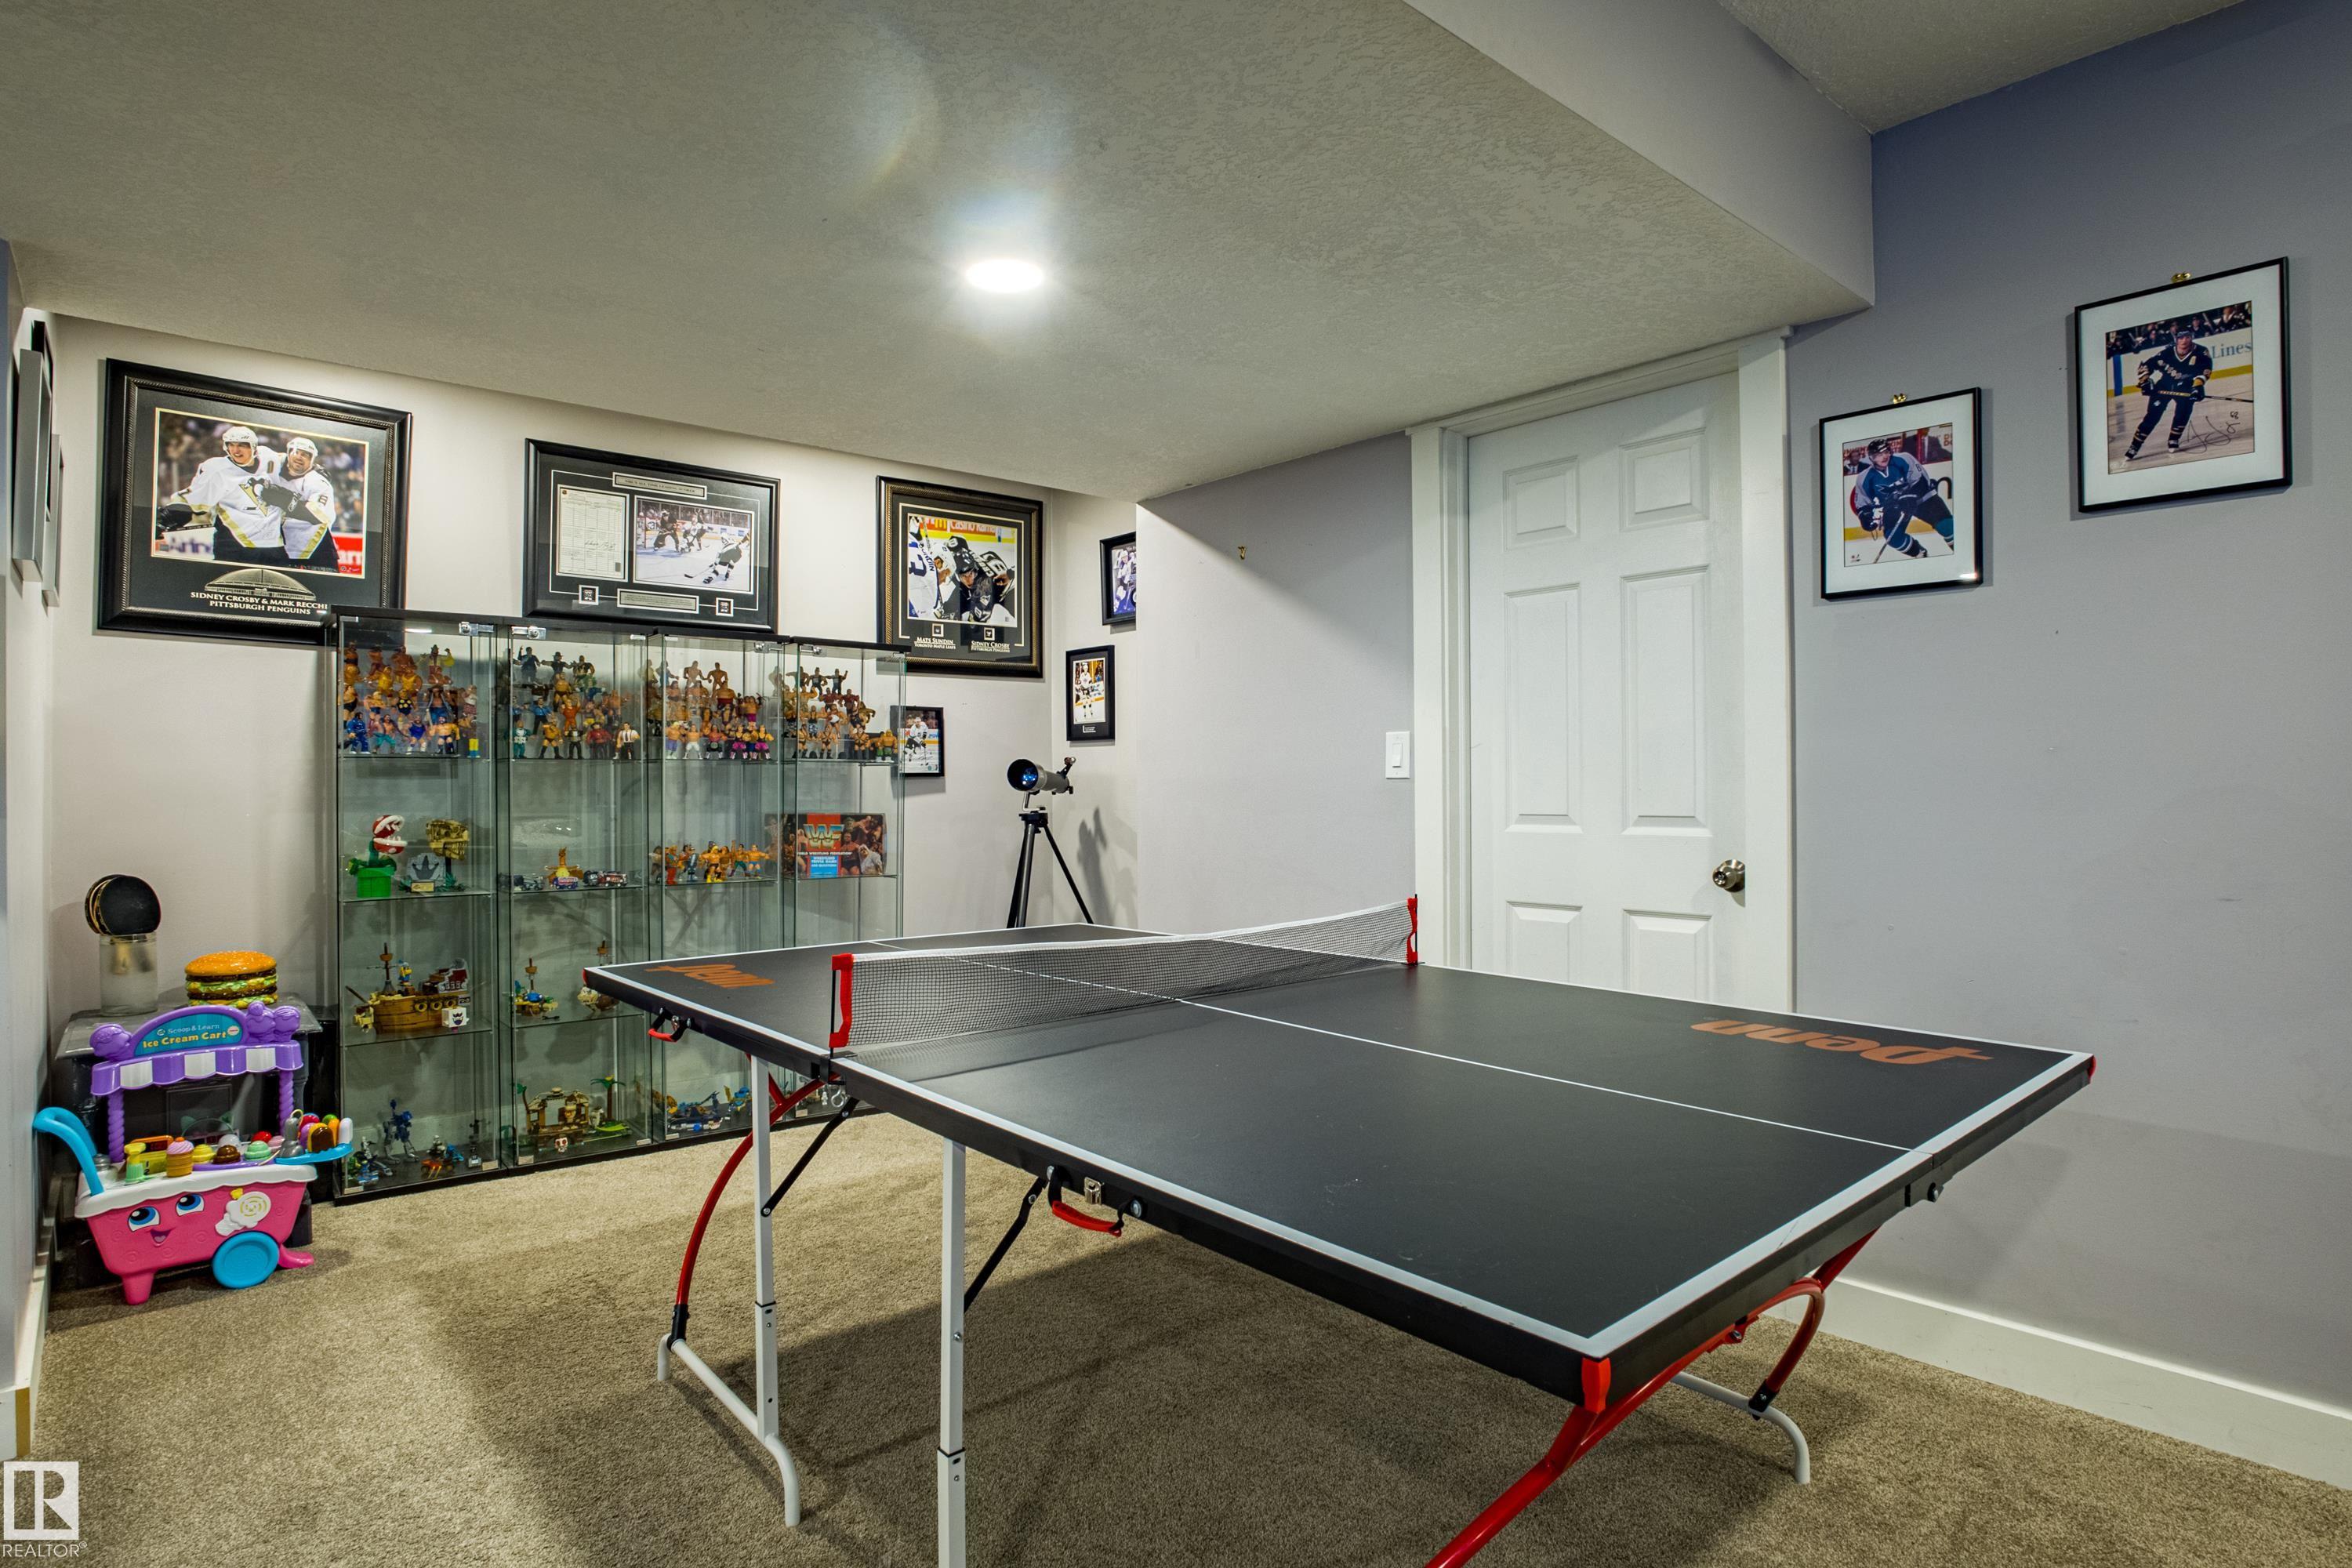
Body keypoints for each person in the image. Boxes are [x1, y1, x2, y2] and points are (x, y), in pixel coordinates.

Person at [154, 423, 286, 564]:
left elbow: (294, 468)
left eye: (242, 445)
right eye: (231, 445)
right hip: (236, 547)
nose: (236, 450)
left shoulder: (269, 458)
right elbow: (190, 502)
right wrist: (162, 522)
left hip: (274, 547)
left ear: (253, 447)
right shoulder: (218, 471)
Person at [1849, 437, 1954, 559]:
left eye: (1886, 452)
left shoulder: (1903, 459)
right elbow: (1863, 503)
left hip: (1923, 499)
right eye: (1879, 455)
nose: (1884, 457)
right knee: (1893, 538)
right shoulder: (1864, 478)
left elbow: (1922, 480)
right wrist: (1865, 517)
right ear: (1872, 458)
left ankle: (1962, 551)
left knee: (1947, 527)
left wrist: (1910, 496)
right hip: (1895, 507)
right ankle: (1920, 554)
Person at [2125, 326, 2212, 460]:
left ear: (2191, 337)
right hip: (2164, 386)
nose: (2184, 341)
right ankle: (2135, 445)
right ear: (2176, 339)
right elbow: (2147, 366)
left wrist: (2197, 387)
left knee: (2183, 413)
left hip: (2186, 387)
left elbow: (2205, 370)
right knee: (2152, 416)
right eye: (2181, 338)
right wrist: (2145, 381)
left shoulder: (2201, 352)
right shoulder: (2167, 352)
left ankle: (2174, 438)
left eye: (2187, 337)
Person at [258, 436, 339, 564]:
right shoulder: (274, 467)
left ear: (312, 460)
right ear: (289, 454)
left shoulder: (318, 482)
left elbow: (319, 515)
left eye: (305, 455)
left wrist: (286, 501)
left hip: (314, 548)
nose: (299, 457)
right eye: (296, 452)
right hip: (279, 548)